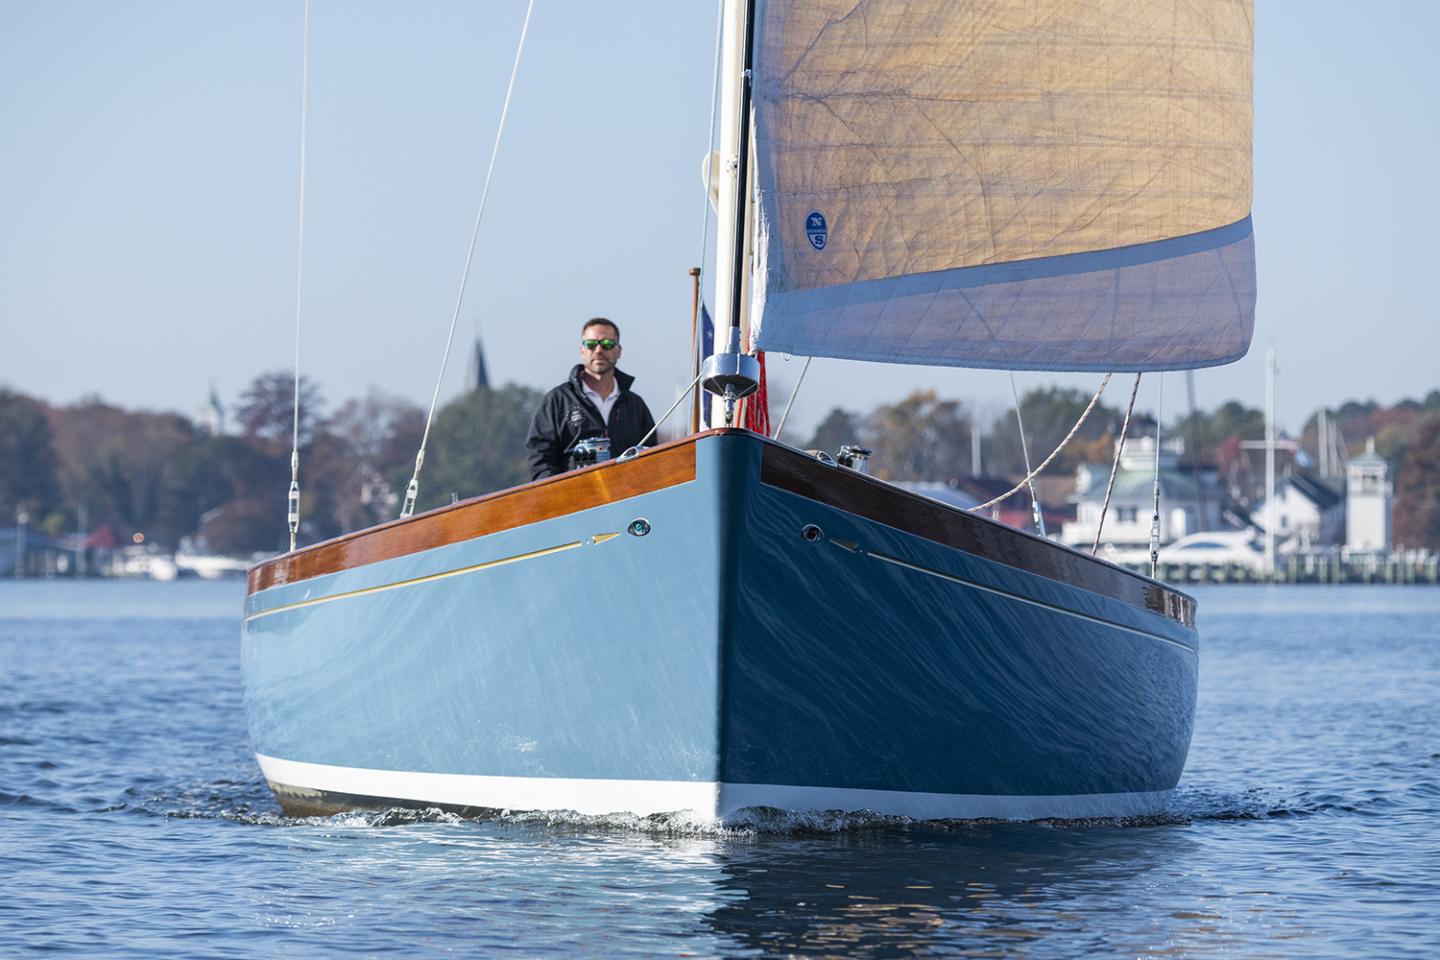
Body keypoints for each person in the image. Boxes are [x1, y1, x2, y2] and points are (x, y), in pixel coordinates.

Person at [526, 318, 658, 480]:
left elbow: (652, 455)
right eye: (591, 344)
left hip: (626, 498)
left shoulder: (635, 405)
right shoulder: (557, 401)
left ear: (618, 350)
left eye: (607, 344)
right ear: (582, 351)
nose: (598, 350)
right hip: (573, 499)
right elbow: (540, 458)